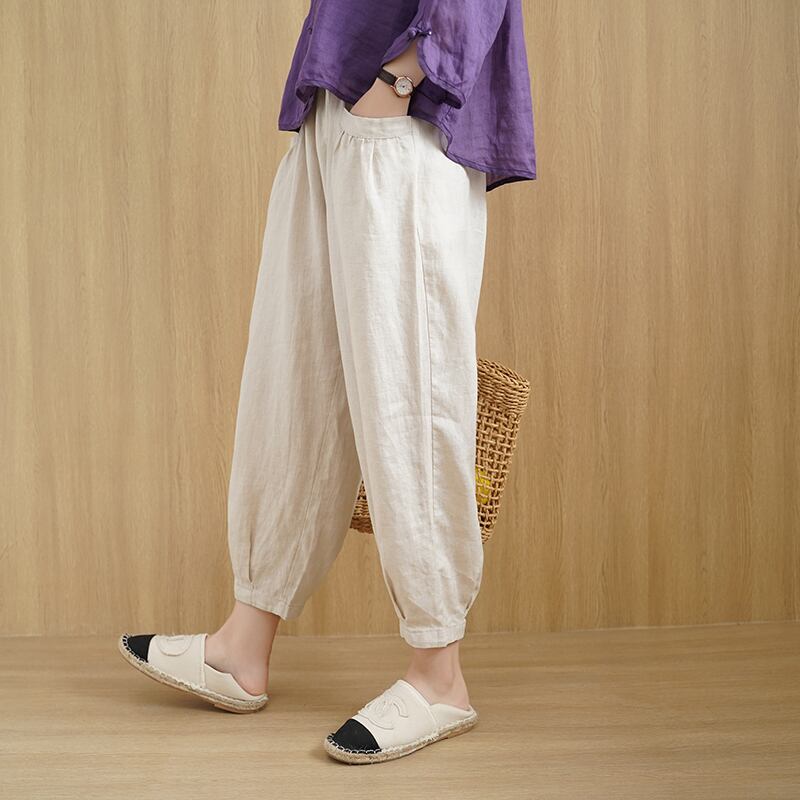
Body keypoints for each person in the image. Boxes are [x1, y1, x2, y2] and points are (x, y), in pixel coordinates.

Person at [118, 0, 536, 764]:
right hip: (336, 99)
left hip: (404, 106)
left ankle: (438, 671)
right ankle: (244, 643)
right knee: (297, 374)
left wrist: (407, 74)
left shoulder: (403, 86)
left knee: (410, 391)